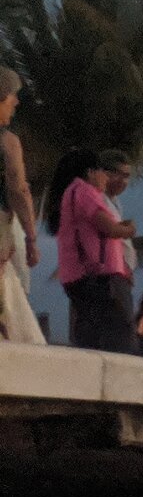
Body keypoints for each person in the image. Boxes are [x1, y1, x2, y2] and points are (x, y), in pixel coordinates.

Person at [53, 149, 140, 353]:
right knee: (119, 333)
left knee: (94, 331)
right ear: (91, 172)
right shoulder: (85, 192)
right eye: (104, 172)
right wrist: (130, 229)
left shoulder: (76, 192)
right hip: (100, 274)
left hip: (90, 275)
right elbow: (108, 228)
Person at [0, 69, 41, 344]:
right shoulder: (6, 142)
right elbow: (18, 189)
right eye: (12, 96)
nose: (15, 103)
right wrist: (30, 236)